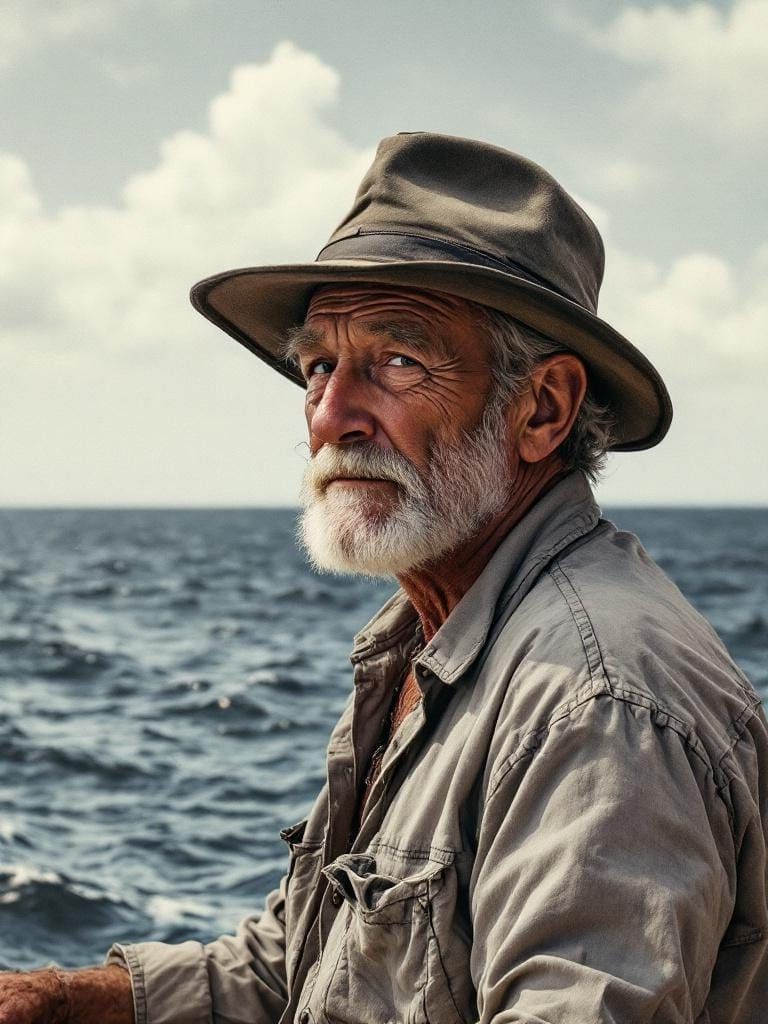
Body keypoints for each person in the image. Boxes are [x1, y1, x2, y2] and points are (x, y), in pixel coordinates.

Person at [2, 132, 766, 1024]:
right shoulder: (432, 635)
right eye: (319, 366)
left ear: (544, 409)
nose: (330, 417)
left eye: (397, 360)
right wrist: (50, 1001)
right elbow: (311, 960)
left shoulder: (597, 703)